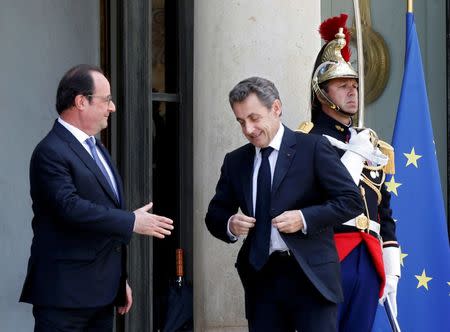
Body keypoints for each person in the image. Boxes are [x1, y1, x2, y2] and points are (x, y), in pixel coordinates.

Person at [20, 64, 174, 331]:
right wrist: (131, 221)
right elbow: (69, 208)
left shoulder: (96, 147)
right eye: (107, 100)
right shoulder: (50, 151)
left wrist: (119, 280)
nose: (112, 107)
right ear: (81, 101)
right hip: (64, 298)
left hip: (102, 295)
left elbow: (103, 213)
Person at [205, 76, 364, 331]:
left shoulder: (312, 147)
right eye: (241, 122)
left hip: (312, 279)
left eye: (254, 118)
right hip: (262, 281)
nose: (248, 129)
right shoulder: (235, 161)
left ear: (276, 108)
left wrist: (303, 218)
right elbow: (214, 215)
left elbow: (351, 201)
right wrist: (230, 224)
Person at [299, 14, 401, 332]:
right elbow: (316, 197)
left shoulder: (372, 145)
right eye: (342, 86)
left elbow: (384, 213)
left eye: (354, 85)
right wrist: (354, 155)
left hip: (368, 259)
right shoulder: (307, 141)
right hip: (329, 255)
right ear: (322, 93)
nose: (352, 92)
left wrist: (391, 268)